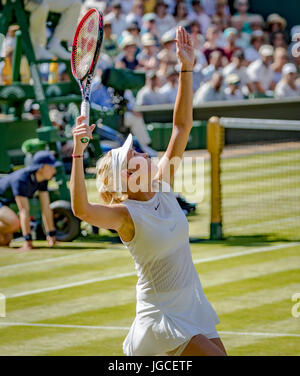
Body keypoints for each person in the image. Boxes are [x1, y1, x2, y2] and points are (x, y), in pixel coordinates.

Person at [70, 26, 226, 356]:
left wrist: (186, 68)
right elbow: (82, 210)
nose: (143, 154)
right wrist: (77, 153)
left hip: (191, 303)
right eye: (134, 156)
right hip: (162, 315)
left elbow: (181, 127)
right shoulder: (127, 216)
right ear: (126, 176)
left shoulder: (162, 185)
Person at [0, 151, 59, 250]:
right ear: (41, 167)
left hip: (4, 203)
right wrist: (28, 241)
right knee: (14, 223)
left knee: (5, 240)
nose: (54, 170)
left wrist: (51, 234)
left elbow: (46, 208)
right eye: (51, 167)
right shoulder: (21, 180)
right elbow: (24, 211)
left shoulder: (43, 180)